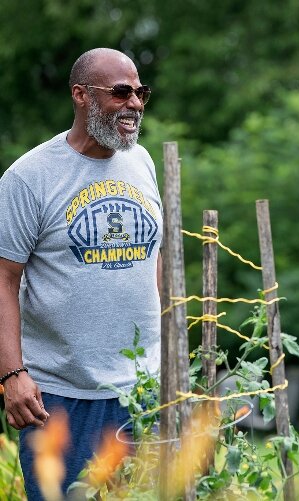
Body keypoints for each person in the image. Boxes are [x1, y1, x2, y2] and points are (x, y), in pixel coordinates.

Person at [0, 48, 162, 499]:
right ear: (81, 95)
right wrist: (11, 374)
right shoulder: (30, 177)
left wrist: (167, 351)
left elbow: (156, 255)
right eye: (121, 92)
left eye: (141, 92)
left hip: (142, 392)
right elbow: (3, 277)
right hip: (60, 399)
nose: (135, 103)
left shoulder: (142, 163)